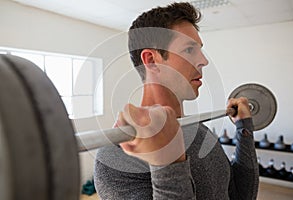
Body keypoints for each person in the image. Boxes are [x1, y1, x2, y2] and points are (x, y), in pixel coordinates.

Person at [94, 2, 259, 199]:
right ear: (151, 60)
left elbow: (242, 195)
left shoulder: (201, 131)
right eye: (189, 50)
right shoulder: (115, 157)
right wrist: (168, 161)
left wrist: (244, 128)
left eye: (200, 50)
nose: (204, 61)